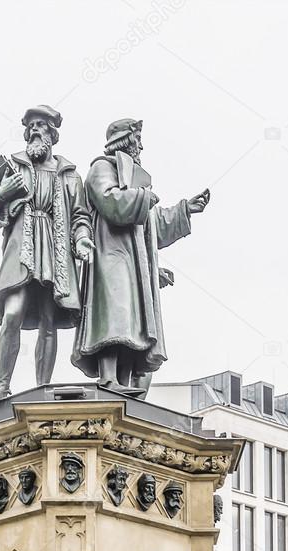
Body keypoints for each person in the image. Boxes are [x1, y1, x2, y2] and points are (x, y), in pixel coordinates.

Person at [73, 118, 210, 396]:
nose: (141, 146)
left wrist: (185, 210)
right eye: (137, 140)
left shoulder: (133, 179)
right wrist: (143, 198)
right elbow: (110, 201)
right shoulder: (101, 168)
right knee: (114, 317)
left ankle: (123, 381)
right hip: (110, 255)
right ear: (125, 140)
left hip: (133, 262)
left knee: (133, 324)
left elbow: (151, 223)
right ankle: (108, 377)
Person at [0, 104, 94, 403]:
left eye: (40, 125)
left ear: (52, 135)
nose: (34, 131)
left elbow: (81, 216)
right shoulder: (12, 167)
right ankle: (2, 385)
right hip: (21, 251)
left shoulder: (69, 175)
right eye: (30, 126)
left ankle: (43, 387)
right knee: (12, 313)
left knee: (48, 320)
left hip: (55, 252)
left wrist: (81, 240)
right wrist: (2, 194)